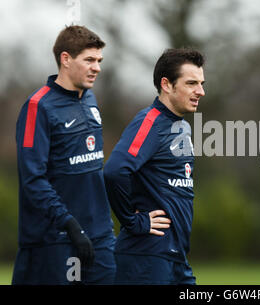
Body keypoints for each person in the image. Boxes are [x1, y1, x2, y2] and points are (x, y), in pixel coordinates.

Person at [12, 25, 116, 285]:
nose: (97, 68)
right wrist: (69, 223)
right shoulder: (38, 107)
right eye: (89, 60)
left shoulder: (90, 101)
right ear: (66, 59)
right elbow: (32, 179)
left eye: (99, 61)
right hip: (56, 240)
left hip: (101, 237)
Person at [103, 48, 205, 285]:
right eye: (191, 83)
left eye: (201, 83)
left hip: (174, 257)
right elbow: (114, 171)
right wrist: (133, 220)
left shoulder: (181, 127)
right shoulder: (150, 123)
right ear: (167, 85)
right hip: (146, 259)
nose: (200, 91)